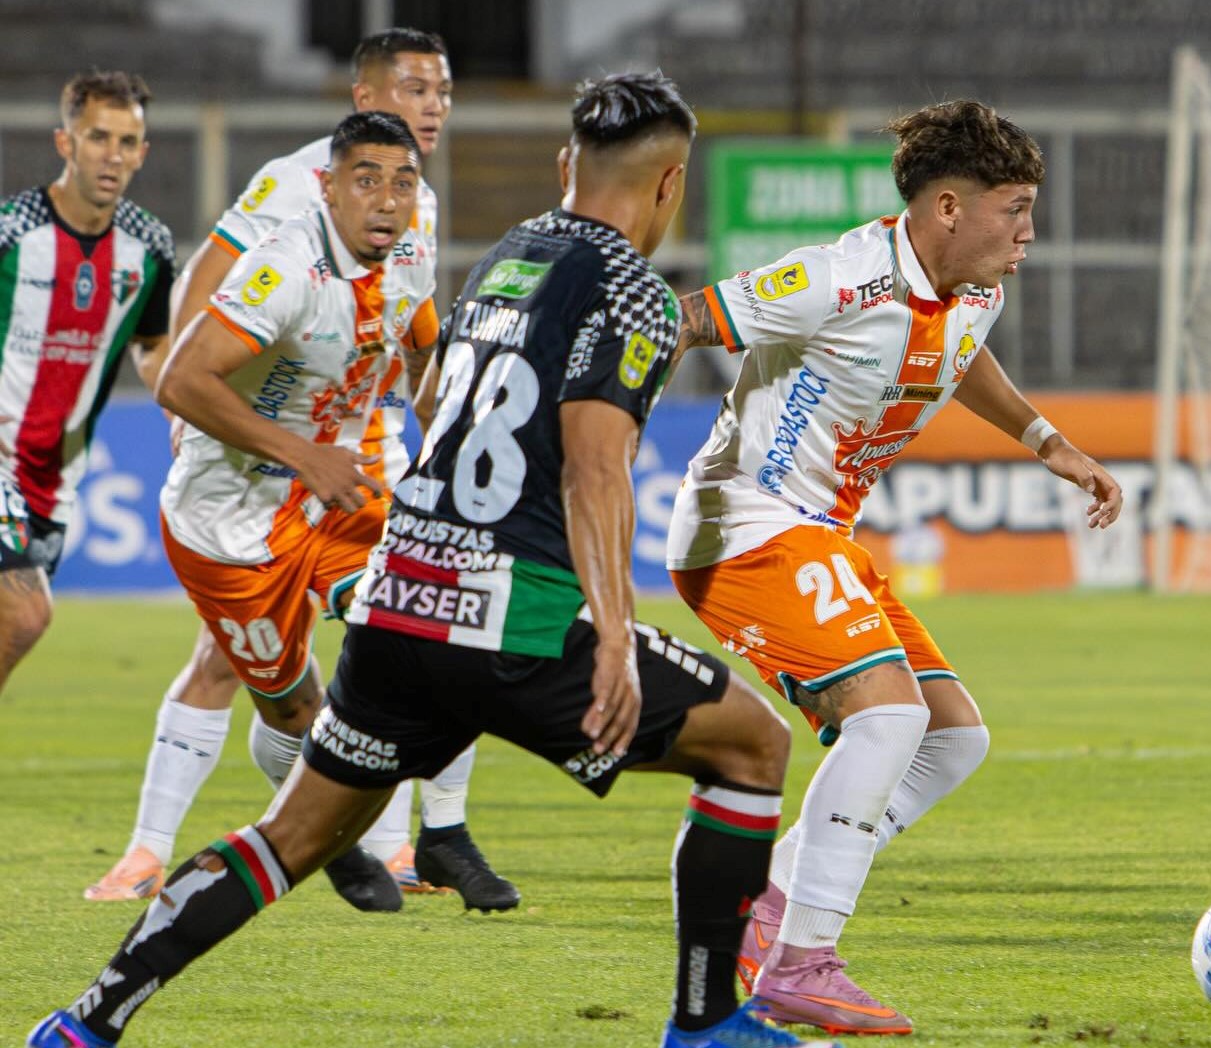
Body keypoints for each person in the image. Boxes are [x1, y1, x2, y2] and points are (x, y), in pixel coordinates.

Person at [28, 72, 838, 1048]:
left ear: (563, 167)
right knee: (753, 743)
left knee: (285, 838)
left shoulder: (508, 253)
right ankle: (706, 1027)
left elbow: (440, 407)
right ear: (669, 186)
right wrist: (615, 637)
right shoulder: (633, 288)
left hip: (395, 599)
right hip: (510, 619)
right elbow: (594, 471)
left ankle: (87, 1018)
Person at [666, 100, 1126, 1036]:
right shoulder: (835, 280)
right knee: (888, 717)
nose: (1029, 233)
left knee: (952, 738)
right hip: (744, 521)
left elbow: (962, 359)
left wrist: (1048, 441)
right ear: (949, 207)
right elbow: (683, 322)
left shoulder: (975, 289)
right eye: (1015, 209)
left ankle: (768, 904)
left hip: (818, 535)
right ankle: (801, 960)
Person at [84, 27, 519, 915]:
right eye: (414, 88)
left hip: (353, 469)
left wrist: (449, 410)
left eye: (444, 91)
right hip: (237, 503)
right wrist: (237, 425)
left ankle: (437, 832)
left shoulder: (409, 219)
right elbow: (186, 350)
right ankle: (320, 832)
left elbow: (420, 324)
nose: (434, 105)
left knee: (435, 620)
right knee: (287, 702)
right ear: (359, 110)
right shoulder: (288, 221)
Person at [0, 71, 174, 695]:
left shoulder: (150, 249)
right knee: (25, 612)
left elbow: (152, 347)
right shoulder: (11, 233)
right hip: (1, 462)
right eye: (98, 137)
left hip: (54, 478)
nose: (114, 155)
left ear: (143, 153)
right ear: (65, 143)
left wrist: (178, 408)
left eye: (128, 142)